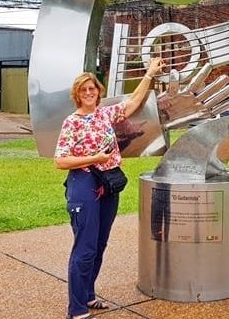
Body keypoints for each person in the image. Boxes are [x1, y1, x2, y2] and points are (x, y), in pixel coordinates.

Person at [54, 57, 165, 319]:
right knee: (85, 246)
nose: (89, 93)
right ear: (77, 95)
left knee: (99, 244)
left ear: (98, 92)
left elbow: (133, 103)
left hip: (109, 182)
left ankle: (89, 296)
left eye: (92, 88)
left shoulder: (105, 113)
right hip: (84, 182)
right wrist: (96, 159)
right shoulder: (72, 122)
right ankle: (77, 308)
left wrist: (149, 74)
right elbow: (60, 160)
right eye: (84, 90)